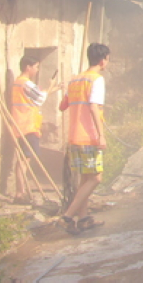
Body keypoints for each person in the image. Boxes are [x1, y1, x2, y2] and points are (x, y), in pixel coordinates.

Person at [59, 43, 110, 235]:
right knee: (96, 178)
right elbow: (93, 107)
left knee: (85, 178)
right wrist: (101, 135)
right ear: (102, 60)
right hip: (89, 136)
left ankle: (84, 219)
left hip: (74, 137)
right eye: (107, 59)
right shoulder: (96, 79)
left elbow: (62, 106)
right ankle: (67, 217)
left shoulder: (74, 80)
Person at [11, 55, 63, 204]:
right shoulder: (26, 83)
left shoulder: (18, 83)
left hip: (21, 125)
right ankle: (19, 193)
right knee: (24, 160)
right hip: (27, 126)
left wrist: (53, 88)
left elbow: (36, 97)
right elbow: (40, 98)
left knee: (24, 159)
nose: (37, 70)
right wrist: (50, 85)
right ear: (28, 67)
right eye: (36, 67)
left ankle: (20, 192)